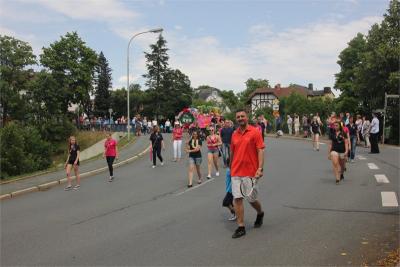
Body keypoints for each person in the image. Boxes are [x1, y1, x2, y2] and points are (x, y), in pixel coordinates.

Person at [230, 109, 265, 238]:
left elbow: (260, 150)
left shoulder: (255, 132)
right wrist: (230, 170)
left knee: (251, 199)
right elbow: (232, 153)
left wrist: (260, 168)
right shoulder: (234, 134)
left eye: (242, 116)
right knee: (237, 199)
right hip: (236, 172)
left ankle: (260, 212)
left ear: (247, 117)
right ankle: (241, 226)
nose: (240, 118)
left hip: (251, 172)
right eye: (238, 116)